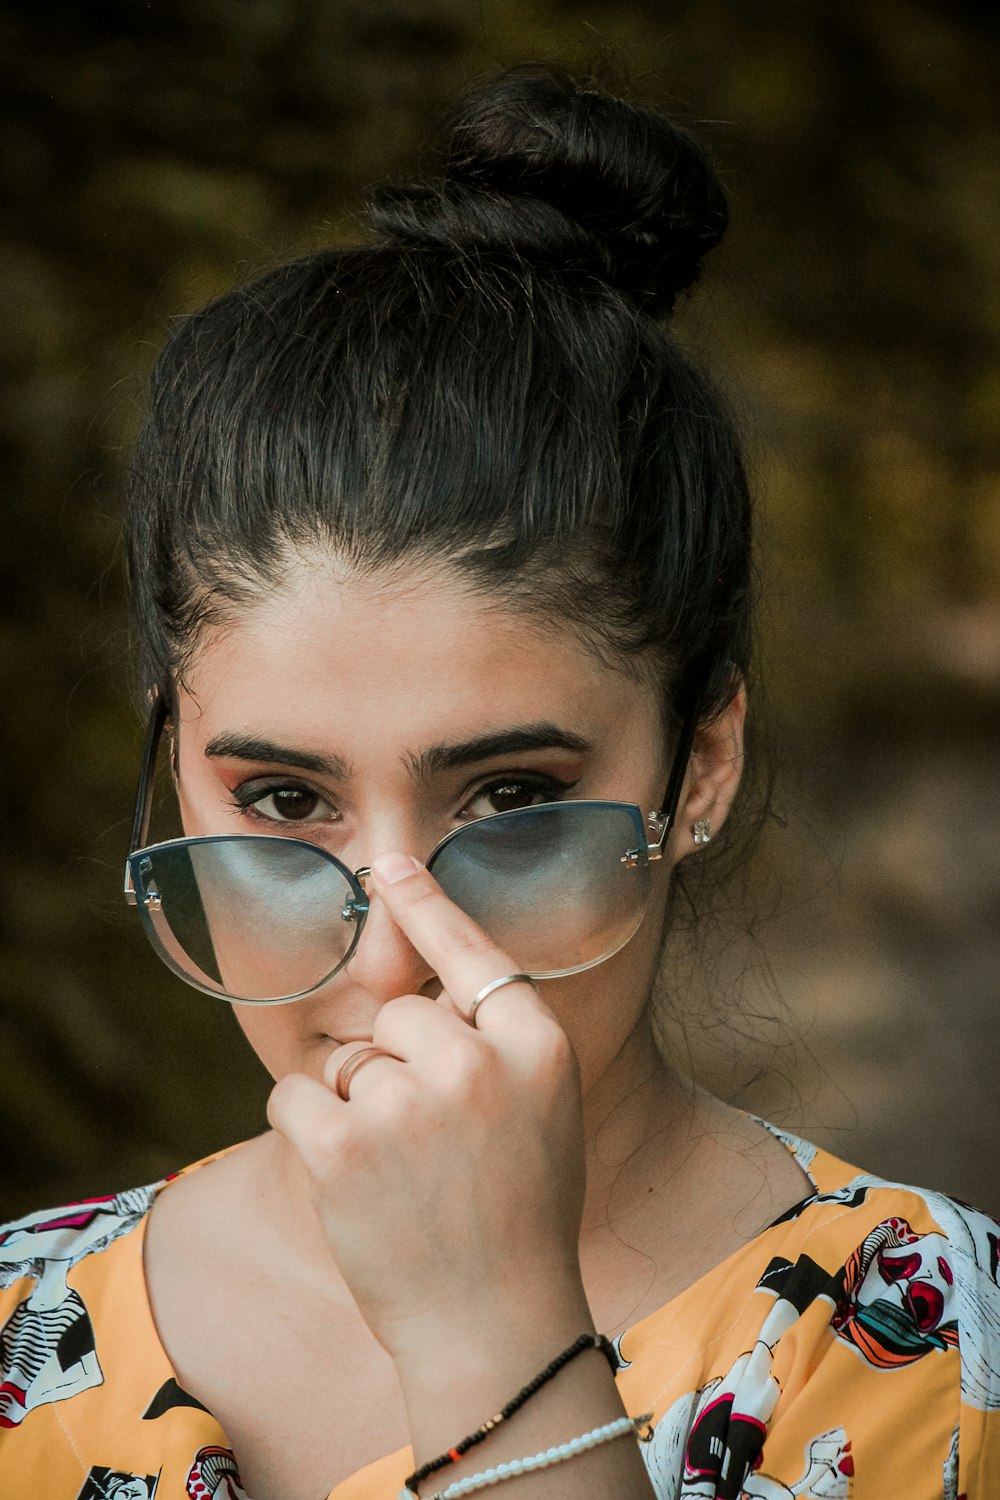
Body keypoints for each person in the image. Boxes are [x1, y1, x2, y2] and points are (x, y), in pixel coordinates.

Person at [1, 62, 997, 1500]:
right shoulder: (30, 1339)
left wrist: (496, 1340)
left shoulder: (932, 1356)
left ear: (698, 762)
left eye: (513, 799)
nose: (398, 956)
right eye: (285, 803)